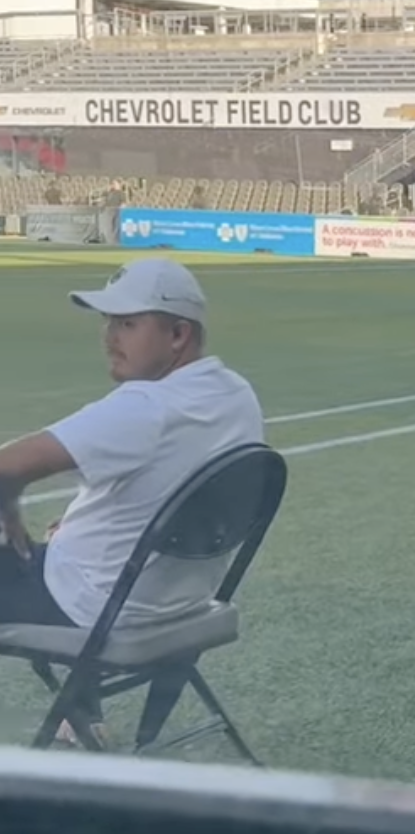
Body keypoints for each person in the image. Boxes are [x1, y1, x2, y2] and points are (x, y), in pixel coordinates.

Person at [0, 258, 264, 740]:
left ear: (178, 335)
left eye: (128, 323)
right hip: (180, 598)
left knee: (32, 562)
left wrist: (8, 501)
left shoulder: (144, 408)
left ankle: (83, 715)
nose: (109, 336)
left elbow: (4, 467)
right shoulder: (236, 395)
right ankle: (85, 720)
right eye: (108, 321)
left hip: (100, 610)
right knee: (56, 546)